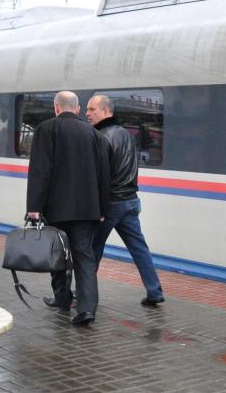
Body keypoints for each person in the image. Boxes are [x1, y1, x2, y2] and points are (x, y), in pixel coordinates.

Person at [25, 91, 110, 326]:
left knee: (57, 254)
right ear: (78, 109)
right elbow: (104, 175)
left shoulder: (46, 129)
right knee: (84, 256)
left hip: (57, 207)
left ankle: (61, 298)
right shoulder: (95, 135)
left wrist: (34, 207)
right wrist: (102, 208)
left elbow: (41, 171)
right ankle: (87, 308)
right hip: (87, 209)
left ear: (56, 108)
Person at [86, 94, 165, 307]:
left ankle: (84, 293)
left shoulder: (100, 137)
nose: (87, 113)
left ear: (105, 111)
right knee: (139, 249)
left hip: (111, 203)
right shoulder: (126, 134)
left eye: (92, 109)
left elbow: (99, 175)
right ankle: (154, 291)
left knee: (92, 249)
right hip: (130, 200)